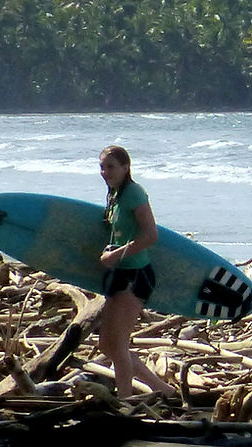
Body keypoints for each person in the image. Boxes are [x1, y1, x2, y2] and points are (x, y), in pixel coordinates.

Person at [97, 145, 174, 397]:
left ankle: (125, 402)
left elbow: (151, 235)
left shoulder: (134, 193)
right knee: (107, 345)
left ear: (126, 167)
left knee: (118, 345)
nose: (105, 172)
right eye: (102, 167)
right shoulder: (116, 195)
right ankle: (162, 389)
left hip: (135, 276)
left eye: (111, 167)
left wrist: (113, 255)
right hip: (120, 274)